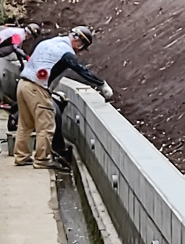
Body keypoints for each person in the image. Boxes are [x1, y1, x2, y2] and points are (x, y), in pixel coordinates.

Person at [15, 25, 113, 169]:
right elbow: (81, 71)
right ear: (79, 42)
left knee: (25, 124)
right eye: (81, 47)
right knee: (46, 126)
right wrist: (102, 84)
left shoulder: (48, 43)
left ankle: (21, 157)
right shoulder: (66, 53)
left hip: (23, 84)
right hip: (37, 88)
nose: (79, 51)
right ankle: (42, 160)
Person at [0, 23, 39, 108]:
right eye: (31, 37)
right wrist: (27, 58)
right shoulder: (18, 35)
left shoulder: (19, 34)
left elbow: (17, 50)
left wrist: (22, 64)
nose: (29, 39)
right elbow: (16, 48)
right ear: (29, 34)